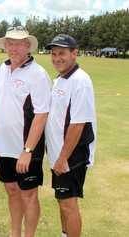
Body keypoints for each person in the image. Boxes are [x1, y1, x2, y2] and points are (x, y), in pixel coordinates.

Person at [0, 26, 51, 237]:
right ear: (5, 45)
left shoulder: (38, 74)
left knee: (28, 195)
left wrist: (28, 150)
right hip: (3, 146)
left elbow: (41, 114)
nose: (14, 47)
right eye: (10, 43)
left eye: (19, 43)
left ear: (27, 46)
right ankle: (15, 233)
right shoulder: (3, 68)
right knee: (11, 191)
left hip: (25, 148)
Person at [44, 34, 97, 237]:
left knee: (68, 202)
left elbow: (77, 124)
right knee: (61, 199)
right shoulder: (59, 79)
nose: (57, 58)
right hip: (60, 153)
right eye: (54, 54)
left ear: (74, 54)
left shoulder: (80, 81)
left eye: (62, 53)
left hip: (71, 155)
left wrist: (63, 158)